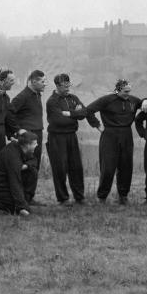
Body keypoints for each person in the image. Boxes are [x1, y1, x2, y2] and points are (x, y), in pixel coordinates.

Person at [86, 79, 147, 204]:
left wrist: (146, 100)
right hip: (110, 135)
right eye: (125, 91)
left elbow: (142, 102)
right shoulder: (107, 100)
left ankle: (123, 196)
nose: (128, 94)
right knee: (108, 167)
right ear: (118, 90)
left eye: (129, 91)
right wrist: (97, 125)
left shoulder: (132, 100)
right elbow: (88, 110)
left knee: (126, 166)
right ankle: (102, 197)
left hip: (126, 135)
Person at [46, 73, 99, 205]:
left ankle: (79, 197)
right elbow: (59, 119)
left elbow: (83, 113)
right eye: (64, 86)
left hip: (71, 136)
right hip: (57, 137)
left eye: (68, 85)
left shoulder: (73, 98)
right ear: (57, 86)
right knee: (60, 168)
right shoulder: (52, 101)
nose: (68, 88)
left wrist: (69, 113)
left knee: (76, 167)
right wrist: (75, 113)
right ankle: (63, 199)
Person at [9, 69, 47, 204]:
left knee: (34, 164)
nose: (45, 84)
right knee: (27, 166)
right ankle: (22, 198)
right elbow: (9, 113)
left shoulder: (37, 94)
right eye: (42, 81)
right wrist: (18, 131)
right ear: (33, 81)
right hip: (28, 137)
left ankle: (29, 197)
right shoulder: (23, 96)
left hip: (37, 133)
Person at [0, 131, 39, 216]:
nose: (37, 145)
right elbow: (15, 183)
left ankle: (25, 201)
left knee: (32, 171)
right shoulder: (12, 156)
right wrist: (22, 207)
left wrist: (26, 166)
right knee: (13, 205)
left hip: (11, 182)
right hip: (1, 187)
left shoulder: (22, 148)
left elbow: (34, 161)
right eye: (35, 143)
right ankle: (3, 204)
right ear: (27, 145)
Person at [0, 69, 19, 158]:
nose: (13, 83)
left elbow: (7, 119)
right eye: (11, 80)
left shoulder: (6, 98)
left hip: (1, 135)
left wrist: (10, 136)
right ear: (3, 81)